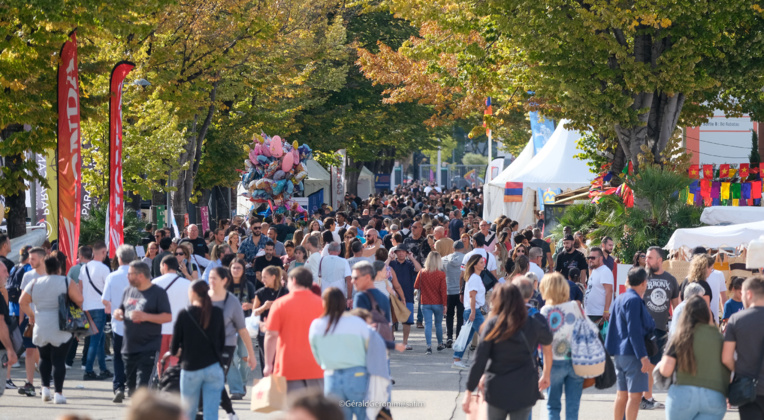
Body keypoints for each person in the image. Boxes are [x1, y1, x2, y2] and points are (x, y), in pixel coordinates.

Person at [462, 283, 553, 420]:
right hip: (524, 388)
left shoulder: (493, 324)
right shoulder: (533, 322)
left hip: (497, 389)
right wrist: (546, 374)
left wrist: (469, 391)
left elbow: (479, 360)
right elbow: (548, 343)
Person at [19, 255, 83, 404]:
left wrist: (32, 315)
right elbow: (79, 299)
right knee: (59, 360)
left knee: (44, 358)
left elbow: (22, 301)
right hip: (61, 326)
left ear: (45, 269)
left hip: (41, 325)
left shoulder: (35, 282)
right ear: (59, 268)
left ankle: (45, 389)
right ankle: (58, 394)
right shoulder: (66, 281)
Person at [656, 296, 729, 420]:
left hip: (682, 395)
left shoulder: (680, 336)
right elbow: (729, 365)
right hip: (714, 396)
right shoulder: (719, 338)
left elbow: (666, 369)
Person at [309, 288, 371, 420]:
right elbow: (369, 349)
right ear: (343, 302)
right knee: (364, 415)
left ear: (324, 302)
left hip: (332, 376)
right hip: (357, 375)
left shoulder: (317, 325)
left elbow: (316, 354)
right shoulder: (357, 323)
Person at [112, 261, 172, 398]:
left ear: (141, 275)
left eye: (130, 274)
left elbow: (167, 317)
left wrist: (146, 316)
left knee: (142, 389)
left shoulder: (158, 293)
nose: (127, 277)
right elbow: (121, 310)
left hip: (149, 346)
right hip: (129, 347)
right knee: (132, 390)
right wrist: (118, 314)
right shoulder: (128, 291)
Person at [263, 267, 325, 394]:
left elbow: (271, 336)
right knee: (315, 411)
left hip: (289, 368)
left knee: (293, 411)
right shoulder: (323, 305)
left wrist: (268, 364)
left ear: (294, 280)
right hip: (317, 367)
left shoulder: (280, 304)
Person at [605, 267, 655, 420]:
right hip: (632, 353)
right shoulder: (634, 300)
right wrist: (643, 357)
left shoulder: (621, 298)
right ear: (643, 283)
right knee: (635, 397)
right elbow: (634, 331)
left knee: (622, 395)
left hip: (620, 352)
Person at [172, 280, 226, 420]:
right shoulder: (218, 313)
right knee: (211, 413)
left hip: (190, 367)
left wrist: (180, 351)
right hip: (213, 367)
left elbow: (173, 347)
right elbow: (222, 342)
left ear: (193, 293)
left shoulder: (184, 314)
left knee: (188, 413)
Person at [208, 266, 257, 419]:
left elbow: (242, 329)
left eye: (214, 278)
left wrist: (251, 354)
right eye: (210, 278)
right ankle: (228, 410)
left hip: (226, 345)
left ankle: (223, 411)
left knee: (217, 378)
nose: (211, 281)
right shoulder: (202, 299)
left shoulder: (232, 301)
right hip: (205, 346)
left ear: (224, 280)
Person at [540, 273, 585, 420]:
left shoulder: (546, 311)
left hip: (554, 361)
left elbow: (543, 342)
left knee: (553, 406)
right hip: (575, 361)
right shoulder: (574, 306)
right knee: (573, 407)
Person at [641, 246, 679, 409]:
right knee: (645, 364)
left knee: (653, 364)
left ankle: (645, 396)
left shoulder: (671, 279)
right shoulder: (641, 277)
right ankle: (645, 397)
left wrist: (677, 328)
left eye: (650, 258)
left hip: (661, 328)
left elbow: (677, 306)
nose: (646, 260)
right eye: (646, 257)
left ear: (659, 260)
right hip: (643, 327)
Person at [722, 275, 764, 420]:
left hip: (748, 387)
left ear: (749, 294)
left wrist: (740, 369)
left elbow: (726, 358)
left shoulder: (737, 319)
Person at [101, 245, 137, 403]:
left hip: (118, 323)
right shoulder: (140, 276)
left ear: (119, 258)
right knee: (135, 356)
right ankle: (133, 387)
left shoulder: (112, 276)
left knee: (118, 357)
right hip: (137, 323)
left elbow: (104, 299)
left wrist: (110, 307)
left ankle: (119, 386)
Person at [151, 255, 191, 381]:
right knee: (176, 358)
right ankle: (175, 383)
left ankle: (163, 382)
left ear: (165, 266)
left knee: (161, 359)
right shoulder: (187, 284)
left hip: (160, 329)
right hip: (180, 329)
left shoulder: (154, 283)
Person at [16, 246, 46, 396]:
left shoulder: (51, 275)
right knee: (29, 351)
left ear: (42, 259)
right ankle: (29, 383)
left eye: (33, 258)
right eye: (29, 258)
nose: (29, 261)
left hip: (47, 320)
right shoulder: (28, 275)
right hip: (31, 319)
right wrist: (23, 318)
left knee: (43, 352)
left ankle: (45, 384)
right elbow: (23, 299)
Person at [226, 258, 256, 399]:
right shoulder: (224, 285)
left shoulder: (249, 285)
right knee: (231, 357)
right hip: (228, 326)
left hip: (245, 324)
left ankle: (242, 382)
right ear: (230, 269)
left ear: (243, 270)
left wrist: (250, 306)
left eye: (239, 268)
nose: (236, 270)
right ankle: (236, 389)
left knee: (244, 357)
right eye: (234, 268)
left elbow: (255, 305)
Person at [452, 254, 487, 369]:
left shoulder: (474, 277)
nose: (483, 264)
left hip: (472, 310)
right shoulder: (474, 278)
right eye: (481, 262)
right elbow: (472, 296)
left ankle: (457, 359)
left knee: (466, 337)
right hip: (474, 311)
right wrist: (473, 311)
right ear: (475, 265)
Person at [253, 266, 289, 374]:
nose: (262, 280)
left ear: (273, 277)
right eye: (262, 277)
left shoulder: (285, 292)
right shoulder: (260, 292)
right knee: (266, 363)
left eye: (265, 277)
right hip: (264, 331)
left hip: (281, 332)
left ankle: (280, 386)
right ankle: (268, 387)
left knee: (280, 361)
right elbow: (254, 312)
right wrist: (264, 307)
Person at [389, 244, 422, 350]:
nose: (401, 253)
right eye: (399, 251)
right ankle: (391, 339)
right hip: (393, 296)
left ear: (407, 253)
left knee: (407, 321)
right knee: (392, 320)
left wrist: (412, 258)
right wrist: (389, 258)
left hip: (407, 295)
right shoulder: (392, 264)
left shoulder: (409, 264)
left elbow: (420, 270)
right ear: (396, 253)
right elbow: (382, 268)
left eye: (403, 251)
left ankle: (405, 342)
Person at [414, 251, 447, 354]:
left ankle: (429, 346)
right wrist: (445, 305)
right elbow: (443, 291)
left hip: (425, 302)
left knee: (428, 324)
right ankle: (440, 344)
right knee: (438, 324)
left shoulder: (422, 272)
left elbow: (416, 286)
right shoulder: (441, 274)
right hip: (438, 302)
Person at [443, 240, 466, 347]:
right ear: (463, 248)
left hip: (448, 290)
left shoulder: (444, 259)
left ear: (453, 248)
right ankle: (458, 338)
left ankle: (449, 337)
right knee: (460, 316)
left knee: (449, 315)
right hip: (461, 291)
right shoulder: (466, 259)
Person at [583, 247, 613, 325]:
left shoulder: (605, 271)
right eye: (589, 258)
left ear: (600, 258)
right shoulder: (594, 271)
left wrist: (606, 310)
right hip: (590, 312)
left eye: (593, 258)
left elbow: (609, 291)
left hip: (599, 314)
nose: (590, 260)